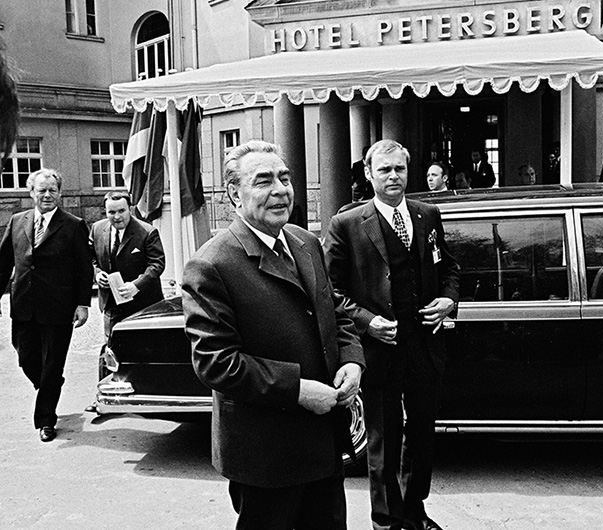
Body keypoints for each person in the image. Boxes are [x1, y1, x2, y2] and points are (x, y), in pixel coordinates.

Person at [182, 140, 364, 529]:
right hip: (265, 456)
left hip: (324, 443)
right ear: (234, 193)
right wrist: (297, 389)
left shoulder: (305, 242)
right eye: (263, 180)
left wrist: (351, 359)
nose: (280, 189)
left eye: (284, 177)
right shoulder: (211, 263)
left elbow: (334, 313)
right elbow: (215, 363)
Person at [324, 139, 459, 530]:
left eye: (399, 169)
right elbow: (330, 292)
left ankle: (414, 512)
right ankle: (386, 521)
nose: (393, 177)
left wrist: (448, 300)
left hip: (423, 345)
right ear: (369, 175)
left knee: (421, 437)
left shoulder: (427, 215)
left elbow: (449, 267)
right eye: (384, 170)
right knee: (382, 441)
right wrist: (367, 321)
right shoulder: (347, 223)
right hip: (379, 349)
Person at [0, 168, 93, 442]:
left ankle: (46, 419)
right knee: (26, 358)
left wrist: (82, 304)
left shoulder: (73, 224)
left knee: (52, 364)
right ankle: (50, 386)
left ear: (60, 193)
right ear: (31, 193)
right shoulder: (17, 221)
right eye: (42, 190)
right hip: (24, 304)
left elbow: (83, 269)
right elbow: (4, 263)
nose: (47, 195)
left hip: (58, 308)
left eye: (52, 190)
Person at [90, 190, 165, 342]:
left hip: (142, 304)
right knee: (112, 348)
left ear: (129, 209)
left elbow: (157, 263)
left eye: (121, 211)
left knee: (143, 347)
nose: (117, 217)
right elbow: (89, 258)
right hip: (111, 303)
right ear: (105, 211)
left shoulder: (147, 232)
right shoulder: (97, 229)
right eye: (111, 212)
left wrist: (136, 285)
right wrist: (97, 274)